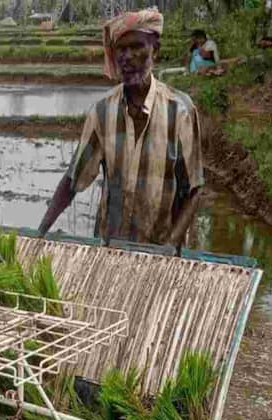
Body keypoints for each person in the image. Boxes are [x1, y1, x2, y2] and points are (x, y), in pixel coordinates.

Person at [38, 9, 204, 251]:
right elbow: (74, 179)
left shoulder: (180, 112)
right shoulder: (103, 112)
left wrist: (170, 246)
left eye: (136, 47)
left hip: (161, 252)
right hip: (110, 248)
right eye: (121, 49)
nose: (127, 57)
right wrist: (40, 232)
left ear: (154, 50)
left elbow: (194, 190)